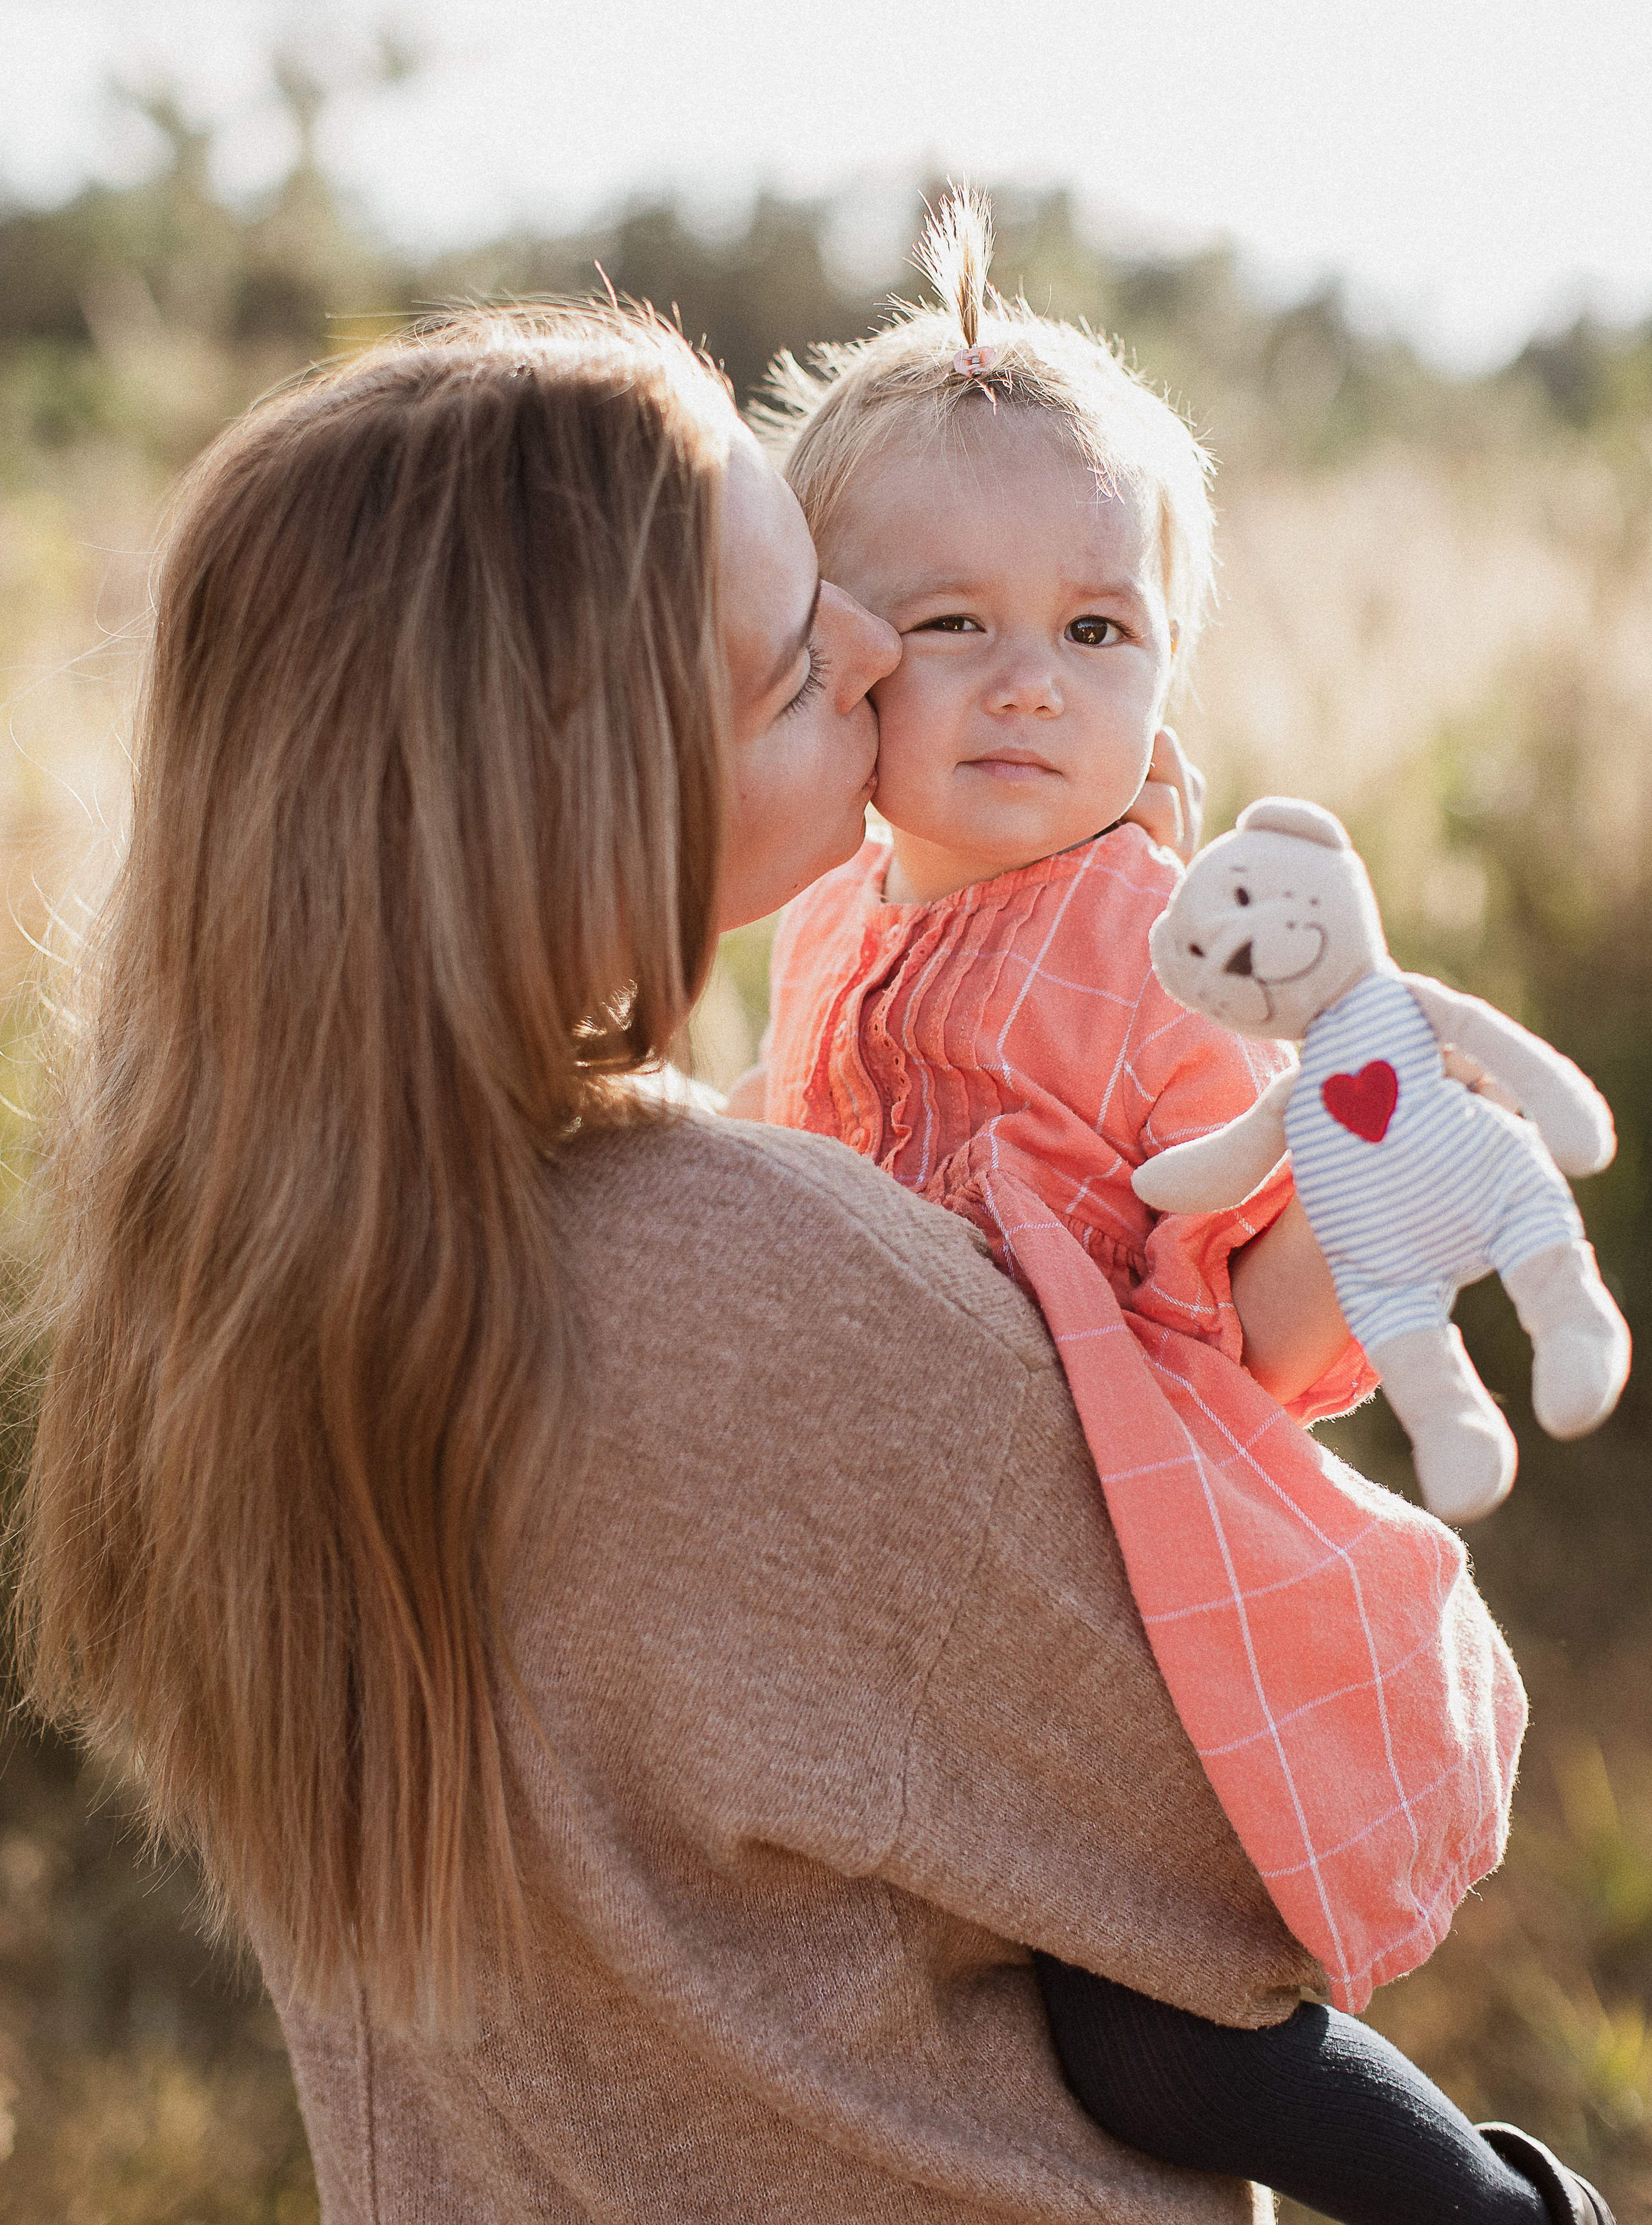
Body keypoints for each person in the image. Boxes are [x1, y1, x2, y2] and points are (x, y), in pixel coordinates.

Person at [9, 305, 1602, 2225]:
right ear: (584, 778)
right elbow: (1235, 1865)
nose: (880, 661)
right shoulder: (754, 1301)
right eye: (795, 655)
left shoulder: (253, 1266)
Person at [734, 193, 1609, 2225]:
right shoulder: (820, 917)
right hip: (902, 1588)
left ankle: (1500, 2211)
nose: (1028, 682)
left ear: (1166, 667)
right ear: (829, 653)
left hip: (1116, 1591)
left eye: (1094, 628)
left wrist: (1353, 1154)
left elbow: (1271, 1334)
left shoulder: (1160, 950)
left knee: (1147, 2038)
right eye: (950, 623)